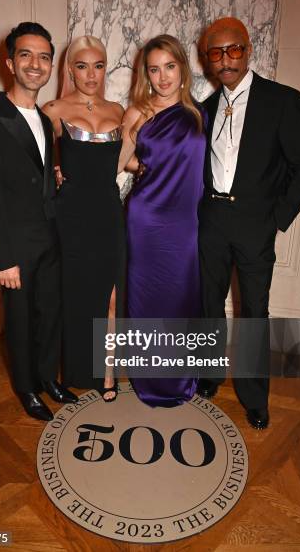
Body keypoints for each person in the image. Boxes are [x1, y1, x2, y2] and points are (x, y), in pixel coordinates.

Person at [197, 17, 300, 429]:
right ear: (208, 59)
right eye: (217, 52)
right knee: (209, 304)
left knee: (254, 312)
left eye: (234, 50)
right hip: (211, 220)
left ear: (249, 50)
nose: (226, 59)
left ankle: (253, 396)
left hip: (255, 225)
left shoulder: (282, 100)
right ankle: (210, 374)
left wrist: (276, 219)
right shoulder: (204, 108)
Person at [0, 22, 78, 421]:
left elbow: (38, 174)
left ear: (50, 66)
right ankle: (27, 388)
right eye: (26, 55)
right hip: (16, 246)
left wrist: (56, 179)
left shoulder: (46, 121)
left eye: (44, 57)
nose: (36, 64)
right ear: (10, 62)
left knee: (51, 314)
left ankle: (49, 377)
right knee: (19, 321)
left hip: (51, 237)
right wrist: (3, 257)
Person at [123, 34, 206, 408]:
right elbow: (120, 160)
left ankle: (180, 379)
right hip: (146, 220)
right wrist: (146, 168)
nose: (163, 77)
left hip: (184, 224)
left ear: (182, 69)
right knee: (148, 302)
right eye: (154, 69)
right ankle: (150, 380)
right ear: (146, 74)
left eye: (169, 67)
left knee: (180, 300)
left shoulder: (199, 114)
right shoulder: (138, 113)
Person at [43, 35, 125, 402]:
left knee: (110, 297)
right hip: (71, 216)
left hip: (109, 212)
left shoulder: (119, 110)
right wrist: (55, 170)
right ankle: (73, 370)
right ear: (70, 69)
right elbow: (34, 162)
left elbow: (130, 159)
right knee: (75, 296)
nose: (91, 74)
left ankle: (106, 373)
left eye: (98, 65)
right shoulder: (54, 110)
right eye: (82, 65)